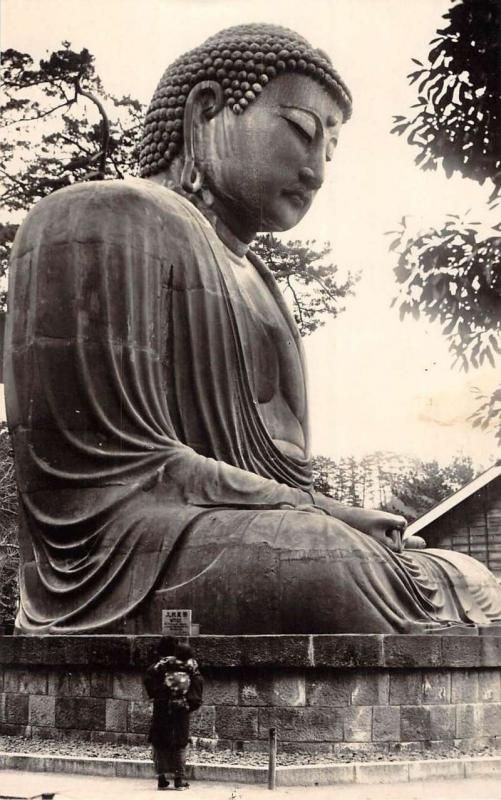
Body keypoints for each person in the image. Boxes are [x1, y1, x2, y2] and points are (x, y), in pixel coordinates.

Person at [5, 23, 501, 635]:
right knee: (328, 561)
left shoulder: (264, 284)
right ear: (206, 109)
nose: (316, 170)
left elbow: (283, 473)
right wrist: (323, 514)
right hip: (130, 550)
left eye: (331, 150)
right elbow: (124, 469)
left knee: (471, 576)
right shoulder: (99, 216)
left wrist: (324, 514)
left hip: (254, 527)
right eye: (300, 131)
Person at [144, 637, 203, 791]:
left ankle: (161, 779)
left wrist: (157, 694)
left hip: (162, 706)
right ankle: (179, 779)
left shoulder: (161, 665)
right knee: (180, 742)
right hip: (181, 707)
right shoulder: (190, 665)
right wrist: (190, 704)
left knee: (159, 740)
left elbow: (148, 677)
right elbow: (197, 683)